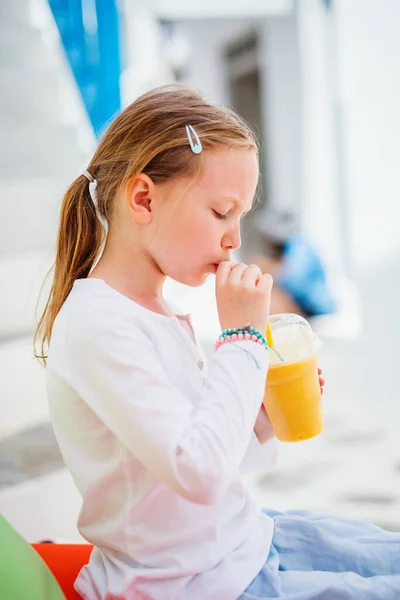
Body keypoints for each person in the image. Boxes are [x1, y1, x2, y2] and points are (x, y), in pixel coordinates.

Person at [35, 85, 400, 600]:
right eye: (221, 212)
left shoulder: (156, 309)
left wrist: (261, 417)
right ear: (143, 199)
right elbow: (197, 471)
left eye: (241, 217)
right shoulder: (100, 326)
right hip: (196, 584)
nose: (235, 239)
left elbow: (204, 447)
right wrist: (243, 338)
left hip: (244, 542)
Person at [250, 211, 336, 318]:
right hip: (306, 305)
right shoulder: (292, 248)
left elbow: (295, 281)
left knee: (270, 291)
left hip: (315, 308)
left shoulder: (299, 245)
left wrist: (269, 272)